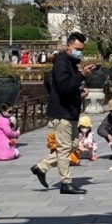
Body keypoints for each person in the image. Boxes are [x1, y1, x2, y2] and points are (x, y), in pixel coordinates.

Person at [30, 31, 93, 195]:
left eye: (82, 49)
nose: (80, 52)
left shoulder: (71, 63)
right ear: (69, 46)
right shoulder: (61, 63)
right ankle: (66, 183)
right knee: (65, 149)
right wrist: (81, 75)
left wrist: (80, 92)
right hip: (62, 112)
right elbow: (64, 86)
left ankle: (41, 167)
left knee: (72, 145)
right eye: (77, 48)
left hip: (70, 111)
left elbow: (68, 88)